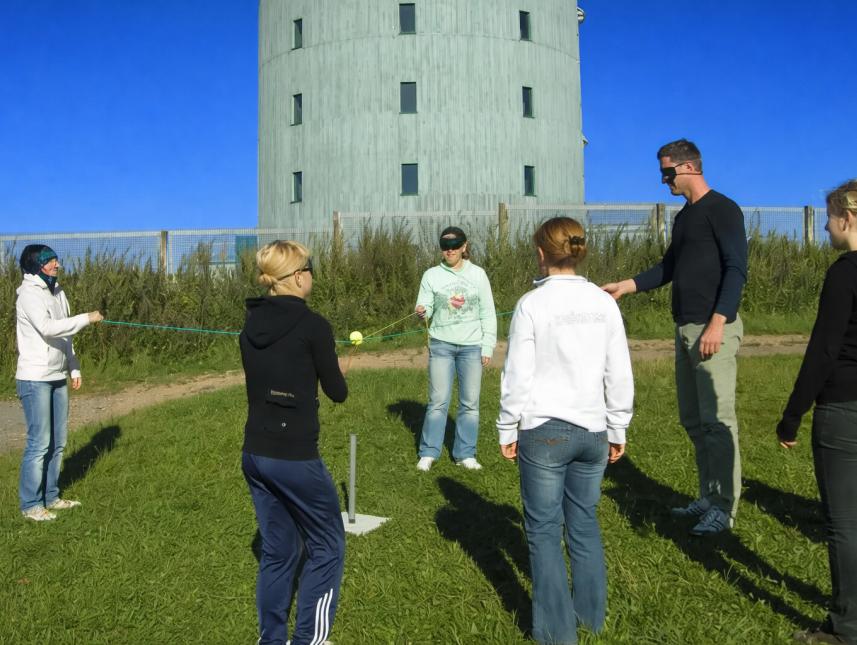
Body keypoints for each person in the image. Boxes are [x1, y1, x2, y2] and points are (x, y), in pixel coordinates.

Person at [497, 217, 633, 645]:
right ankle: (592, 619)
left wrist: (507, 425)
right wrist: (618, 425)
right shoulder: (604, 302)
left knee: (541, 532)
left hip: (544, 432)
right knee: (584, 523)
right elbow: (619, 370)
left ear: (541, 253)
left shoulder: (531, 304)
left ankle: (557, 635)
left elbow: (518, 373)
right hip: (593, 431)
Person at [602, 138, 747, 536]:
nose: (663, 181)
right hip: (684, 326)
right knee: (694, 420)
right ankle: (708, 494)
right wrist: (626, 286)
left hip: (712, 327)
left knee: (718, 422)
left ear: (688, 168)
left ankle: (724, 507)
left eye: (667, 173)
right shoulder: (685, 218)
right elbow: (669, 267)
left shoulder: (723, 209)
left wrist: (718, 322)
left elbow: (736, 269)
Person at [240, 241, 347, 645]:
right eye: (311, 268)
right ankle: (310, 640)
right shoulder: (314, 325)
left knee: (278, 551)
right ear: (299, 276)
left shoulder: (249, 325)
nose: (313, 275)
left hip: (255, 453)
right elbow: (337, 391)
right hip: (294, 457)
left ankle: (271, 639)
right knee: (328, 546)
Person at [777, 180, 857, 645]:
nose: (825, 225)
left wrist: (793, 414)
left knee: (845, 523)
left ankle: (847, 628)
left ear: (847, 218)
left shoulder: (844, 272)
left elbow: (823, 351)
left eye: (829, 216)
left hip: (844, 408)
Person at [16, 244, 103, 521]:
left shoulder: (58, 291)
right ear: (36, 264)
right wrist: (86, 318)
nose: (57, 265)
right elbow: (48, 328)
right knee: (39, 442)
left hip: (58, 376)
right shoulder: (28, 294)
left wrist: (73, 368)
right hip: (35, 378)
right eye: (50, 261)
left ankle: (51, 497)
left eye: (56, 260)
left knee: (59, 442)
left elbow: (65, 335)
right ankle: (31, 504)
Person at [414, 226, 496, 471]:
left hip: (472, 346)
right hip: (441, 344)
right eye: (445, 247)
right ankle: (429, 452)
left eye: (454, 246)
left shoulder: (478, 275)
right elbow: (425, 305)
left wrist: (488, 345)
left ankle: (465, 454)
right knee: (438, 400)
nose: (449, 251)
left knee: (470, 402)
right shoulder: (431, 275)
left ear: (464, 246)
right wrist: (422, 311)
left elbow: (488, 312)